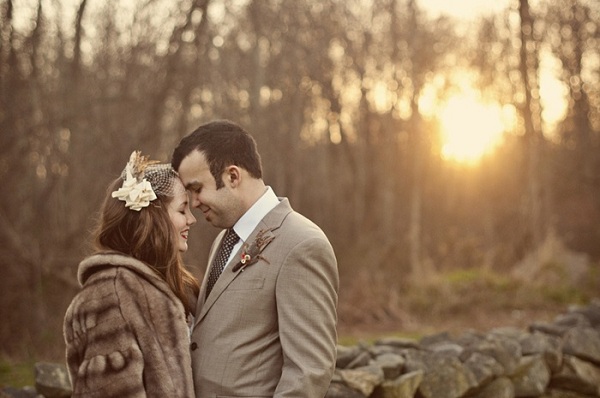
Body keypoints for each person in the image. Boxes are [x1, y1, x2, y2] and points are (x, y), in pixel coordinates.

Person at [171, 120, 339, 398]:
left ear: (233, 176)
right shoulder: (223, 240)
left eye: (197, 188)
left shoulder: (302, 244)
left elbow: (308, 373)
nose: (194, 202)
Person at [63, 151, 199, 397]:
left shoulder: (161, 287)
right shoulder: (112, 295)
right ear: (154, 217)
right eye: (182, 210)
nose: (191, 219)